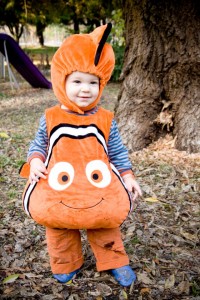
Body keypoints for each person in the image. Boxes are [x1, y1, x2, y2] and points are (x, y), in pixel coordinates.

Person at [20, 23, 142, 287]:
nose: (85, 89)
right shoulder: (51, 117)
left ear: (102, 85)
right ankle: (66, 262)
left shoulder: (106, 119)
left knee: (105, 221)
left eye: (93, 82)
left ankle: (114, 260)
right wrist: (36, 161)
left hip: (96, 186)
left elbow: (117, 151)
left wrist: (128, 175)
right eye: (77, 81)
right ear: (62, 81)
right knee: (59, 226)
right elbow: (38, 145)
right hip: (60, 187)